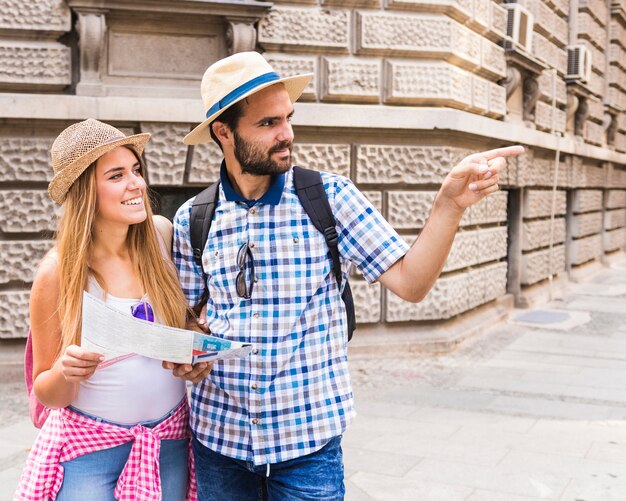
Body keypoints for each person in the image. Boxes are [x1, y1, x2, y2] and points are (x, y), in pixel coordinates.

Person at [170, 51, 525, 500]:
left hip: (307, 444)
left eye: (288, 118)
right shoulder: (192, 219)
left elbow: (412, 284)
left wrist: (448, 206)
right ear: (223, 132)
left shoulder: (328, 197)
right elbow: (186, 319)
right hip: (219, 438)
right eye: (267, 124)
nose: (287, 135)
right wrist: (188, 352)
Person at [15, 119, 197, 501]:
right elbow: (47, 392)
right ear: (85, 193)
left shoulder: (162, 236)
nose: (137, 184)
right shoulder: (57, 273)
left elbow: (187, 323)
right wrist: (67, 370)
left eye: (136, 170)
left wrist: (197, 350)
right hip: (90, 450)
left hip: (169, 443)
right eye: (117, 175)